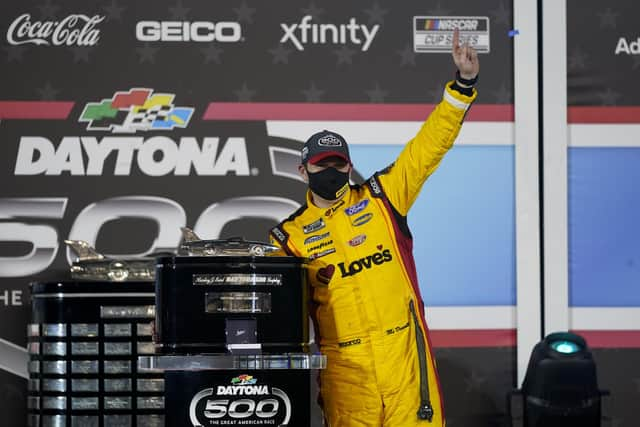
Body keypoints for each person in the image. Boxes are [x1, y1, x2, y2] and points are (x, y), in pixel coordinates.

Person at [269, 29, 479, 426]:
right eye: (321, 166)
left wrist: (462, 86)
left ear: (349, 166)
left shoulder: (383, 197)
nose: (330, 172)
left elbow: (428, 147)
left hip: (403, 360)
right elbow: (272, 312)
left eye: (338, 165)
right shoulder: (288, 237)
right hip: (347, 373)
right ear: (303, 171)